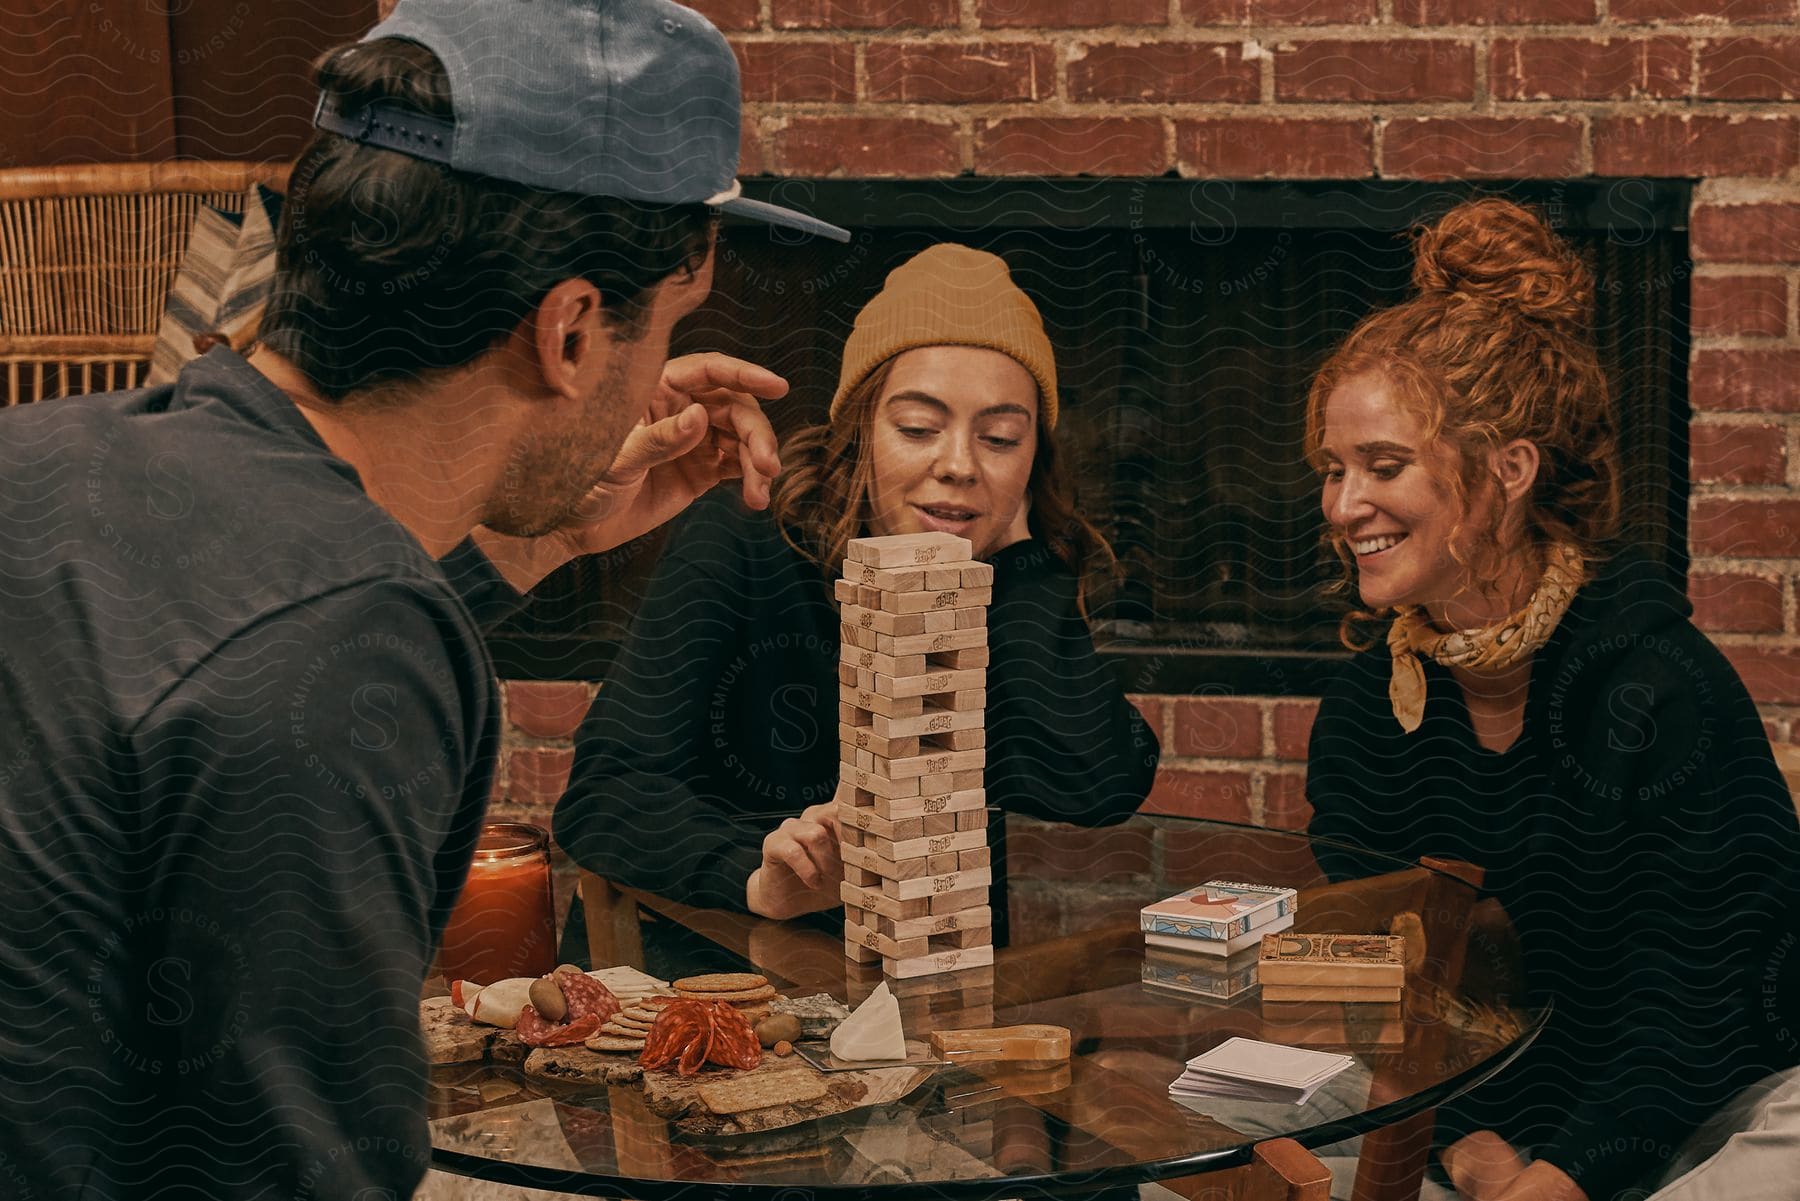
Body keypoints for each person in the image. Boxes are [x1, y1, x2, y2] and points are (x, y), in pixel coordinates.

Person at [0, 1, 848, 1197]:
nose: (656, 382)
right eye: (662, 331)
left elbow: (221, 638)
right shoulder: (352, 641)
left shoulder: (49, 456)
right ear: (567, 333)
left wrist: (531, 539)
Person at [1300, 198, 1800, 1201]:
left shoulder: (1662, 687)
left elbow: (1699, 1004)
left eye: (1383, 466)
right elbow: (1384, 997)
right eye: (1333, 467)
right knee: (1235, 1104)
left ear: (1507, 471)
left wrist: (1564, 1177)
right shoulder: (1367, 709)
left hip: (1686, 1110)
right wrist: (1473, 1143)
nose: (1343, 504)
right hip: (1468, 1118)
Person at [554, 243, 1161, 922]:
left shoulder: (1012, 571)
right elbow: (604, 795)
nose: (958, 464)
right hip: (738, 970)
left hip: (932, 985)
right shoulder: (750, 534)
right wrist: (758, 876)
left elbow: (1097, 787)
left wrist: (1021, 565)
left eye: (999, 439)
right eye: (919, 427)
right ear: (863, 432)